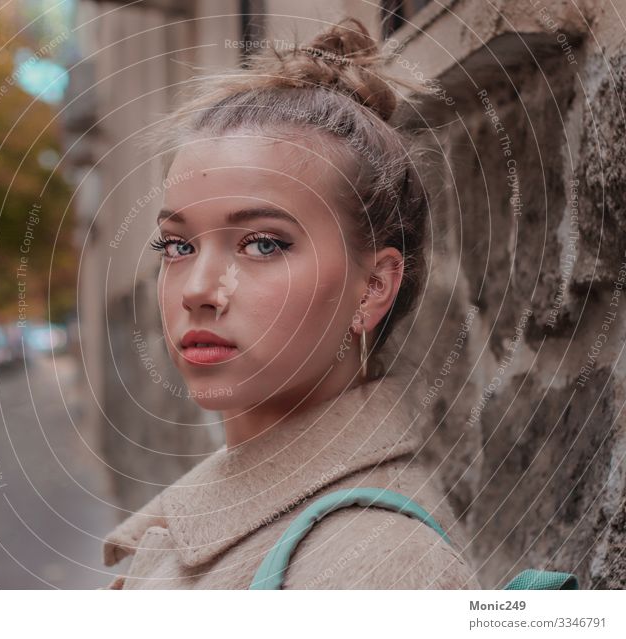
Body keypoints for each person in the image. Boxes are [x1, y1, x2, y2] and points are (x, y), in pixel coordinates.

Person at [101, 16, 480, 589]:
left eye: (262, 244)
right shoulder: (234, 520)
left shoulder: (377, 569)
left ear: (373, 286)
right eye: (177, 245)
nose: (199, 290)